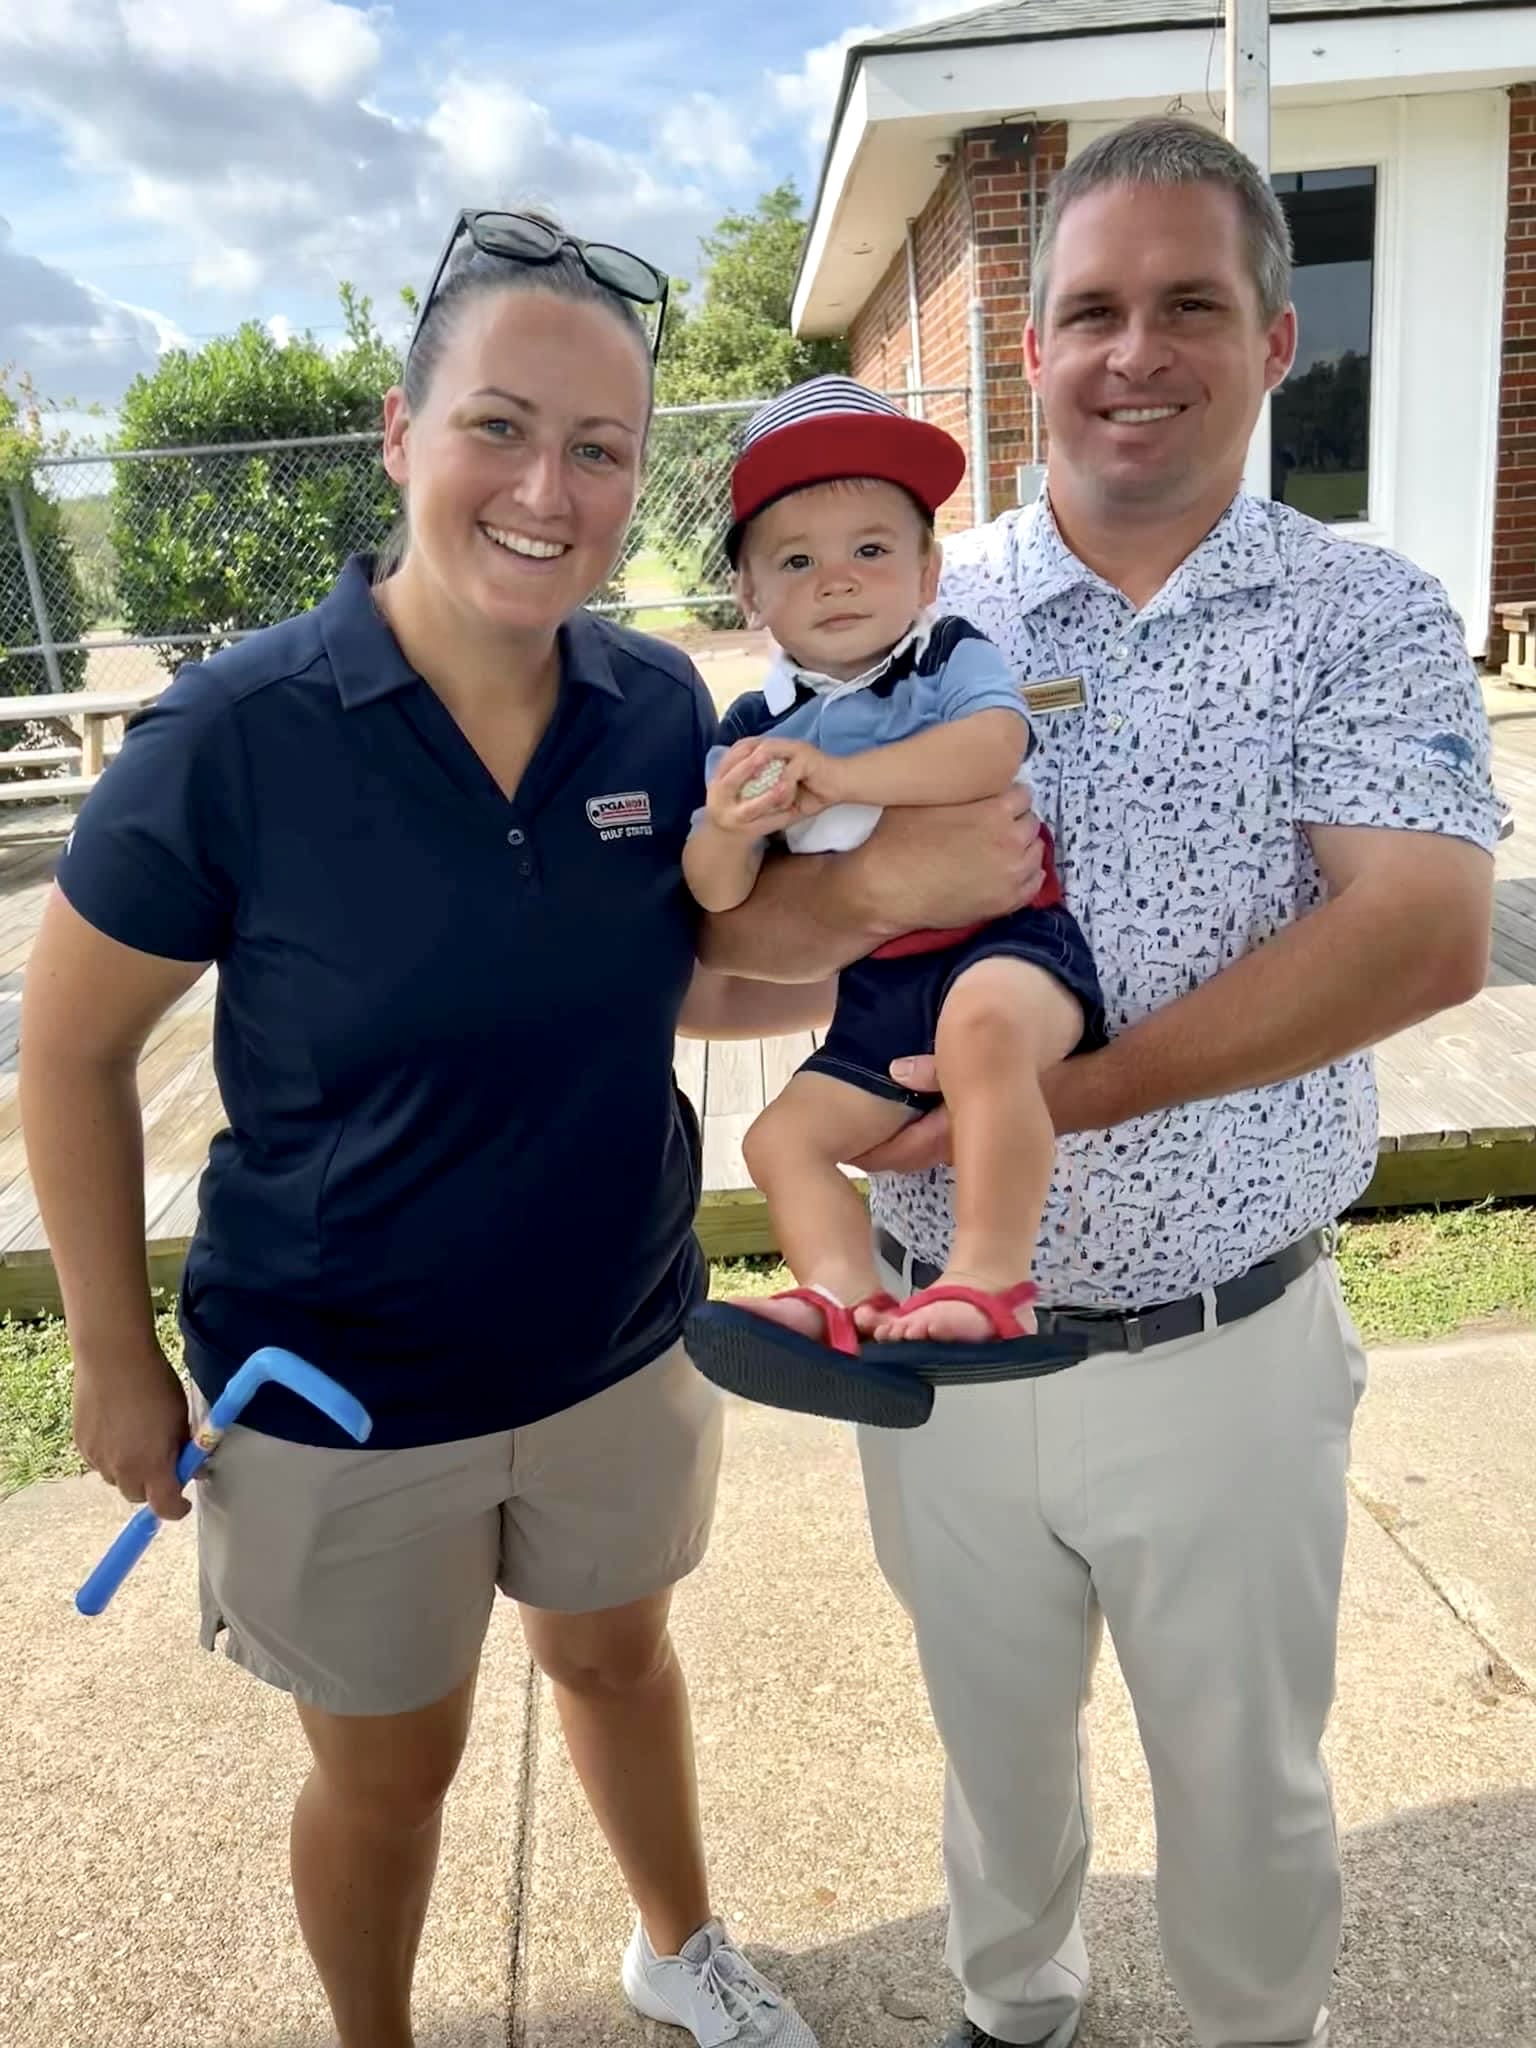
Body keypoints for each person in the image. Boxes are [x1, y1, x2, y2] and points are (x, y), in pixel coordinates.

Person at [700, 119, 1498, 2048]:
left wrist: (1059, 1097)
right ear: (1031, 352)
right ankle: (1013, 2009)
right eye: (1090, 312)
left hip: (1220, 1336)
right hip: (934, 1355)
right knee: (993, 1750)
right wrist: (874, 877)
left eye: (1186, 306)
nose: (1134, 351)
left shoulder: (1359, 608)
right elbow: (732, 966)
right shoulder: (897, 601)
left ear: (1276, 339)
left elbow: (1420, 932)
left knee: (1245, 1784)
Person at [20, 208, 849, 2048]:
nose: (549, 486)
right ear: (401, 436)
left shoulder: (656, 708)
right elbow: (67, 1054)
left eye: (603, 447)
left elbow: (677, 976)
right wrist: (106, 1347)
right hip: (339, 1392)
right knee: (395, 1769)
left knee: (619, 1659)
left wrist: (903, 981)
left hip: (617, 1334)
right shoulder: (229, 741)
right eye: (500, 424)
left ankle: (673, 1940)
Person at [684, 376, 1104, 1352]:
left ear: (925, 574)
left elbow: (994, 747)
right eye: (796, 558)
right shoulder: (754, 727)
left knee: (985, 1031)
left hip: (1009, 947)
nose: (837, 577)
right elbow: (718, 898)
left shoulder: (948, 655)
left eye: (871, 549)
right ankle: (841, 1292)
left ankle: (989, 1278)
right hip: (880, 989)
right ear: (750, 593)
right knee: (778, 1138)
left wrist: (838, 777)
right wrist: (725, 824)